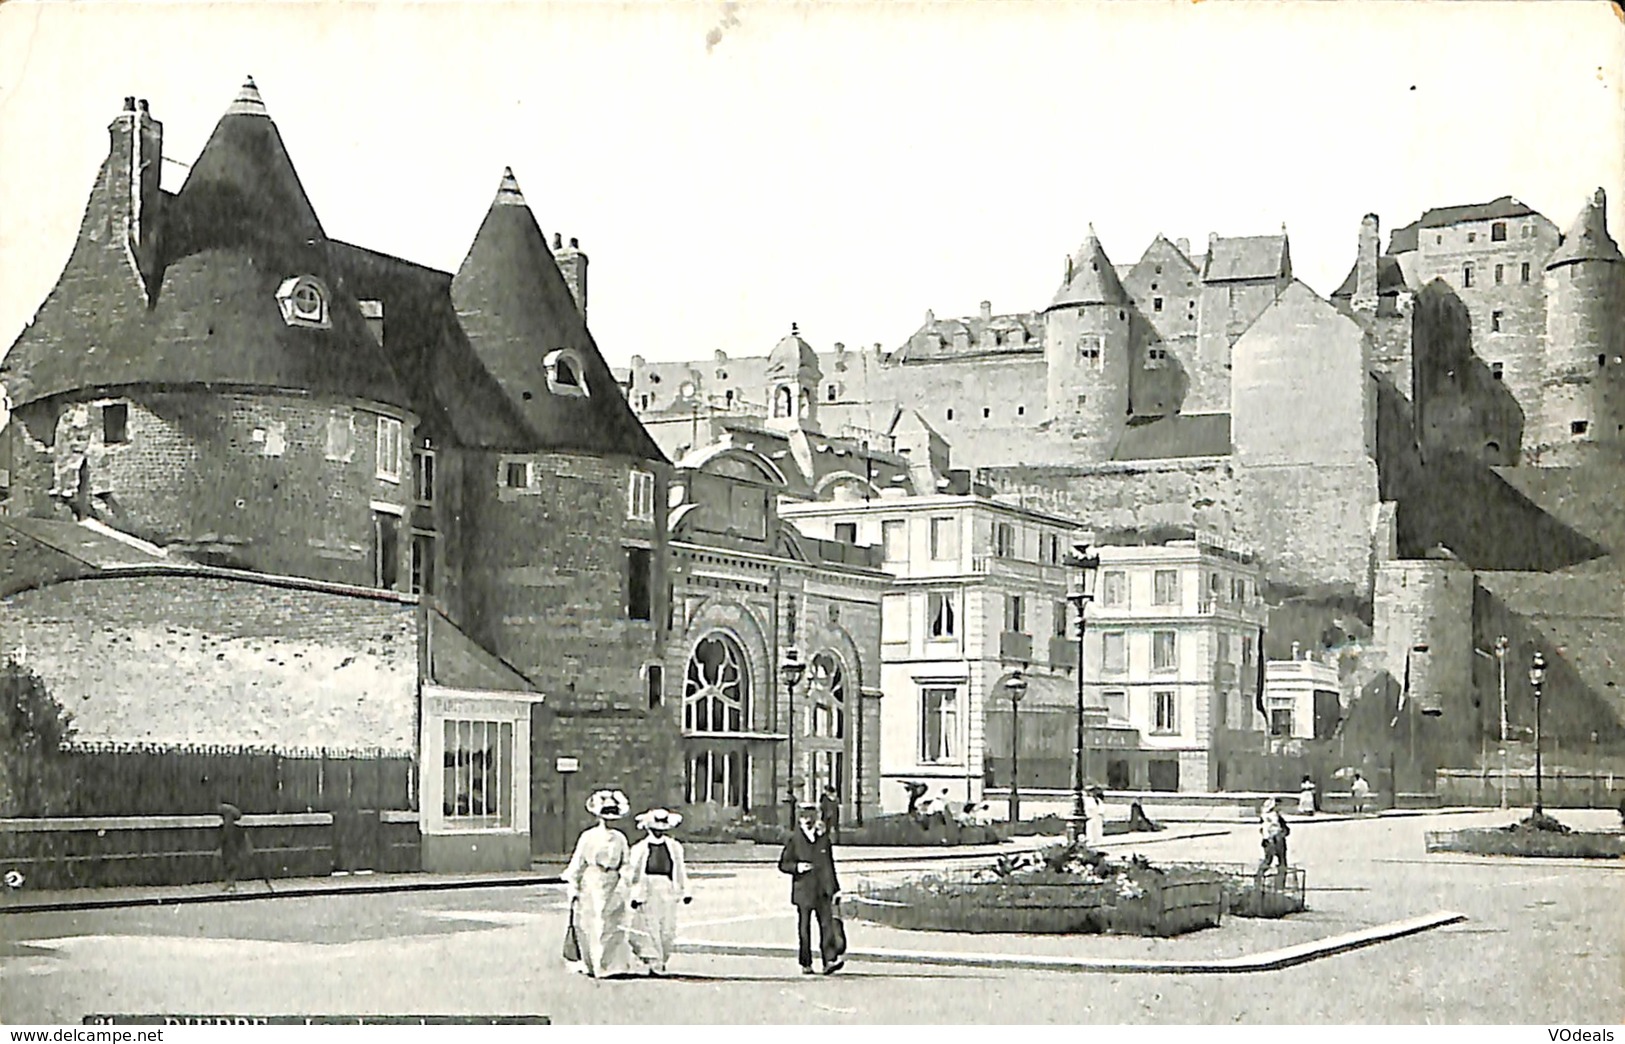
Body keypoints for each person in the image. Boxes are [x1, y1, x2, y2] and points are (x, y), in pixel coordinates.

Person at [563, 789, 645, 978]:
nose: (609, 819)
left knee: (612, 923)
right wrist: (573, 887)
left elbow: (626, 862)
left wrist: (626, 880)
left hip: (613, 882)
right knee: (591, 923)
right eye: (605, 815)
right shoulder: (588, 837)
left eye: (612, 815)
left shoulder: (620, 838)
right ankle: (594, 963)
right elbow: (578, 862)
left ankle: (612, 965)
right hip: (592, 881)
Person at [777, 801, 845, 975]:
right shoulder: (794, 839)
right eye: (804, 817)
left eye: (810, 817)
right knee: (804, 929)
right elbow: (784, 864)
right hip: (803, 890)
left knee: (827, 925)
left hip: (822, 890)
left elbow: (829, 865)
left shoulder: (822, 838)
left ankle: (828, 960)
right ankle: (805, 962)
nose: (807, 820)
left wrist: (835, 889)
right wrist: (798, 867)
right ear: (799, 819)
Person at [625, 808, 692, 977]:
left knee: (667, 927)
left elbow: (680, 870)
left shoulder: (674, 847)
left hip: (667, 887)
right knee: (650, 925)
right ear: (648, 828)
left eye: (662, 828)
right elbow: (632, 872)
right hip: (648, 888)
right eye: (655, 828)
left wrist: (685, 891)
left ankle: (662, 957)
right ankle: (654, 961)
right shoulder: (640, 848)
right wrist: (634, 894)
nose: (658, 831)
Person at [1256, 797, 1290, 890]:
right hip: (1272, 841)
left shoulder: (1276, 816)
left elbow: (1285, 829)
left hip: (1278, 840)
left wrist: (1283, 832)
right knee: (1269, 860)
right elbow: (1266, 830)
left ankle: (1280, 883)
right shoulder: (1269, 817)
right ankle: (1259, 879)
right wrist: (1270, 840)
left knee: (1281, 862)